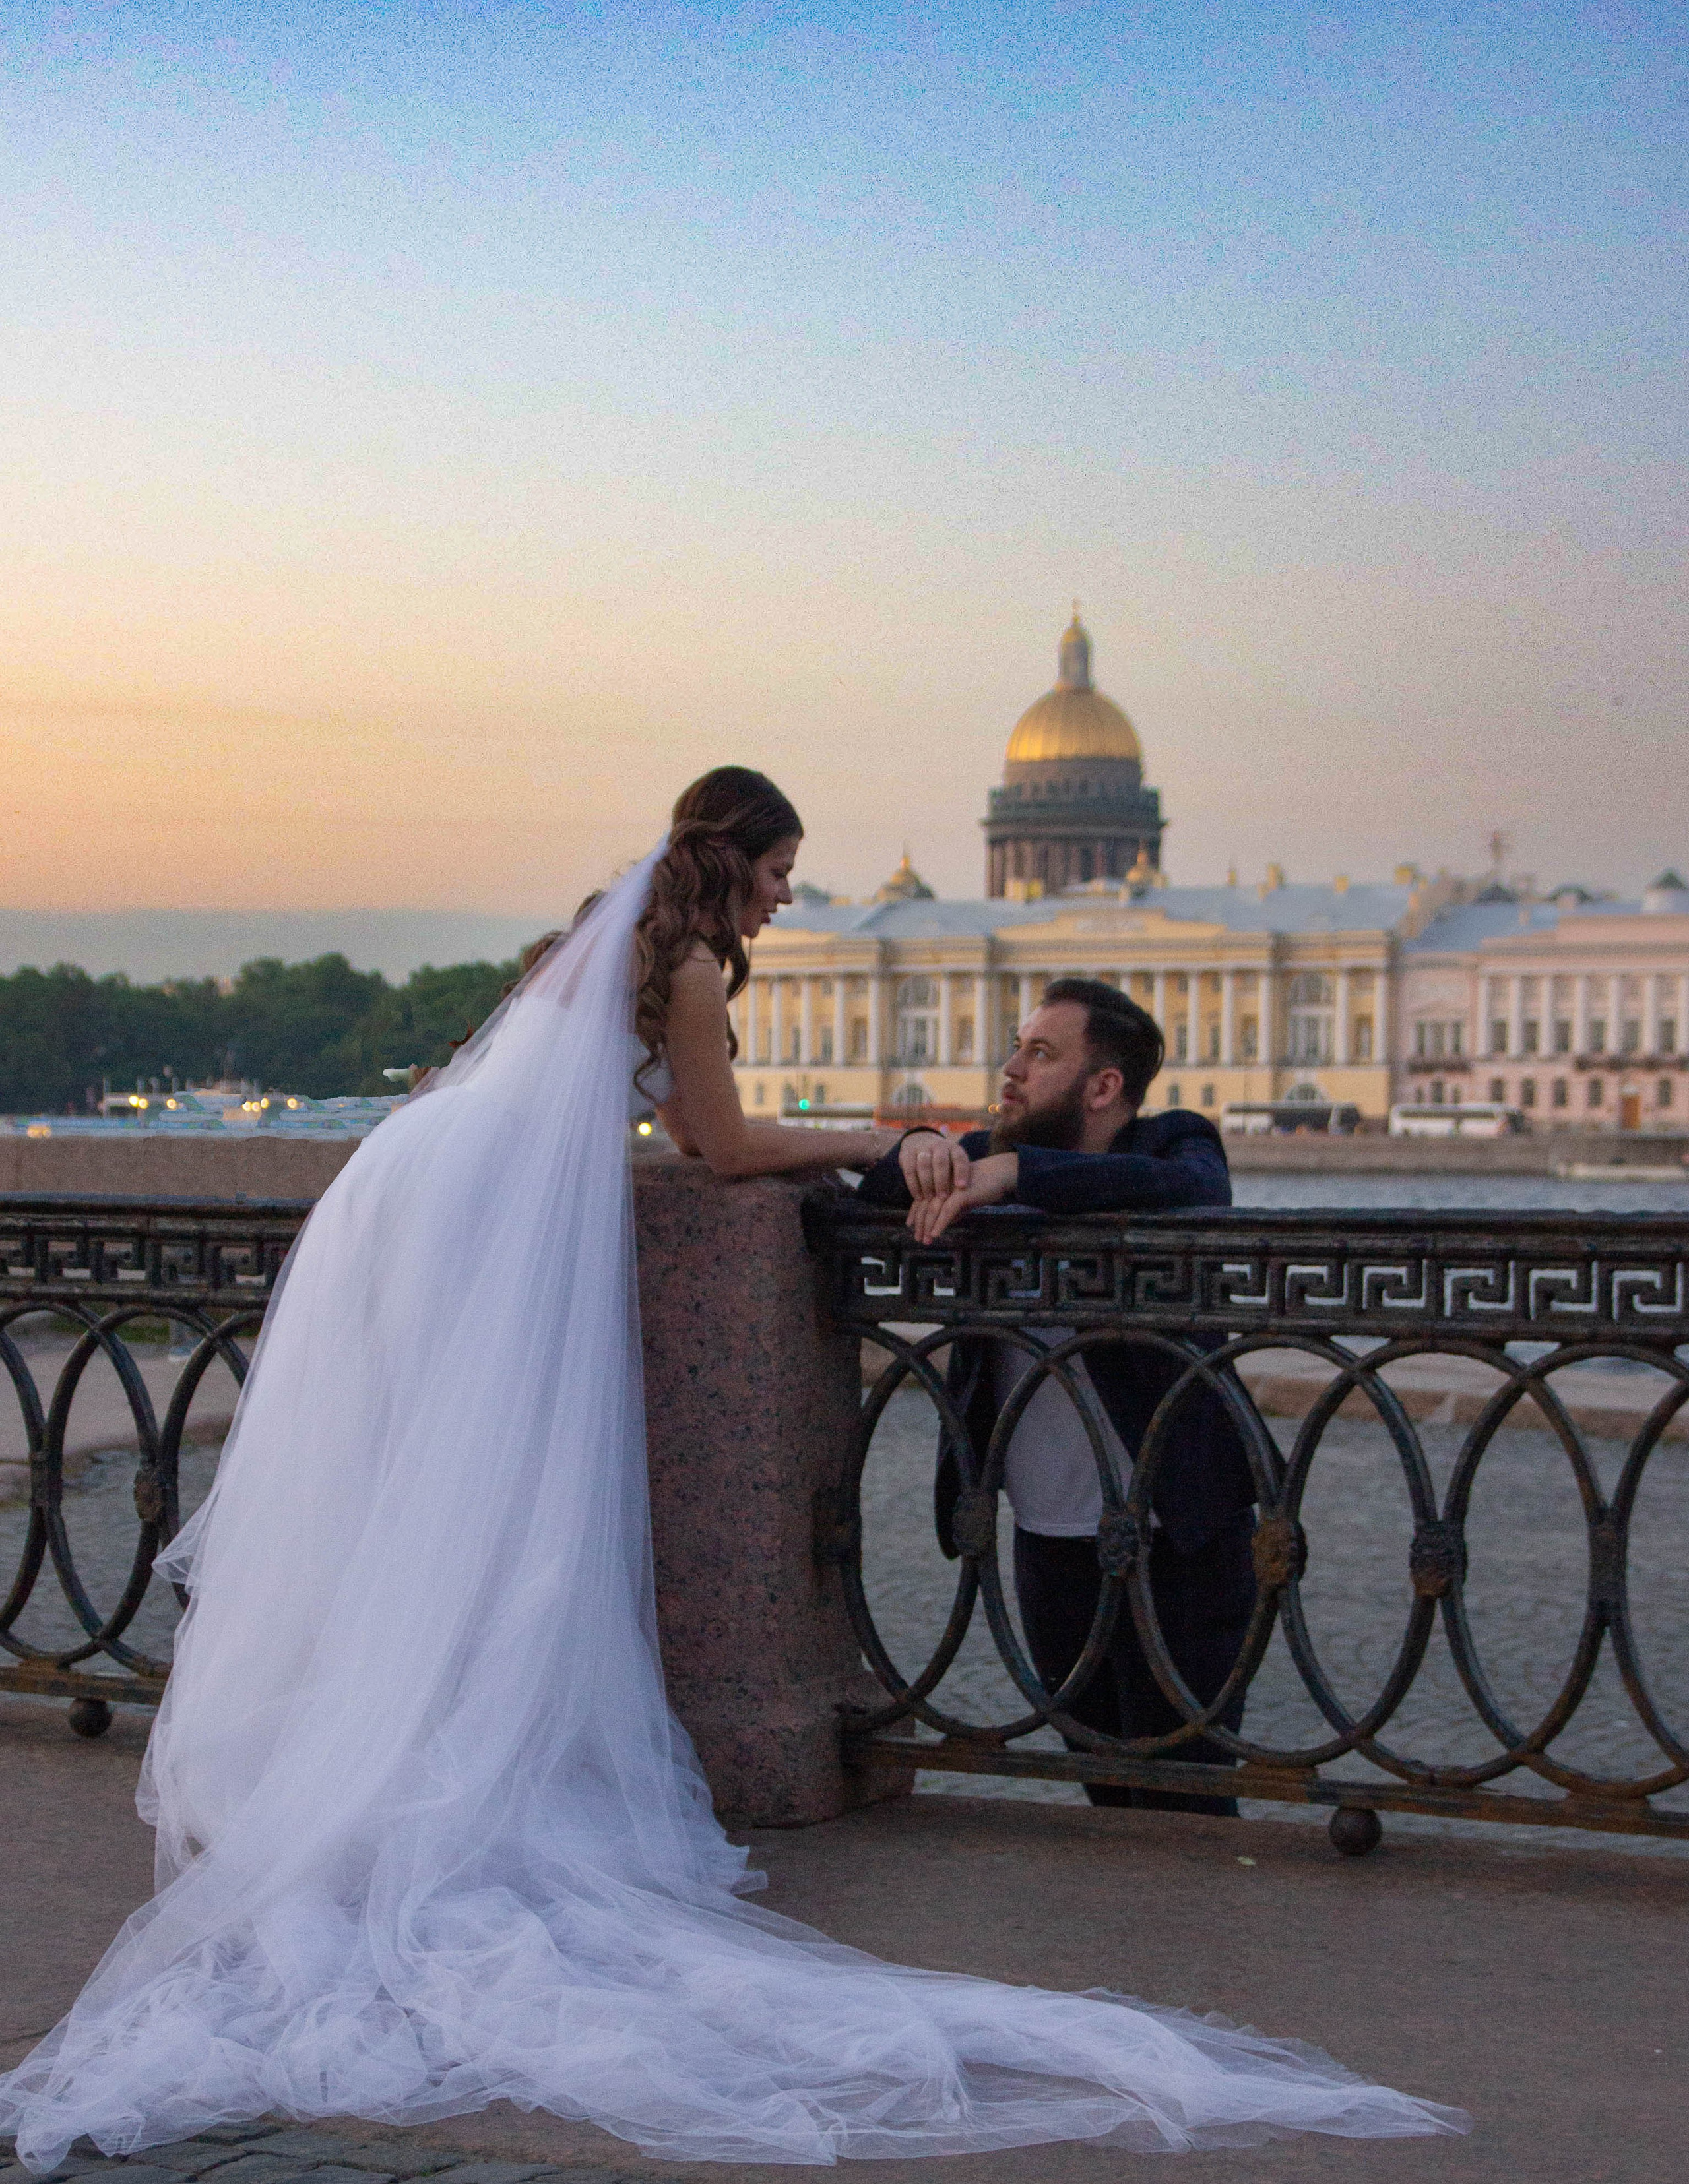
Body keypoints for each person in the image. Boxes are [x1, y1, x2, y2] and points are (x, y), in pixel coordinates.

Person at [0, 770, 1468, 2170]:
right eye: (776, 873)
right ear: (730, 858)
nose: (783, 901)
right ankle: (430, 1774)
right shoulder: (690, 963)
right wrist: (888, 1137)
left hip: (416, 1187)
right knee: (485, 1501)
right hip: (475, 1214)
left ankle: (374, 1763)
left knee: (427, 1492)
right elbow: (716, 1144)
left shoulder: (616, 936)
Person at [856, 979, 1257, 1814]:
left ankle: (1201, 1903)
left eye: (1040, 1053)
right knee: (1102, 1786)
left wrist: (1014, 1172)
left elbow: (1196, 1190)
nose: (1010, 1068)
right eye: (1016, 1046)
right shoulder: (983, 1155)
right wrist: (921, 1144)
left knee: (1188, 1800)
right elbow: (875, 1191)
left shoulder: (1174, 1141)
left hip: (1178, 1534)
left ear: (1103, 1085)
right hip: (1047, 1542)